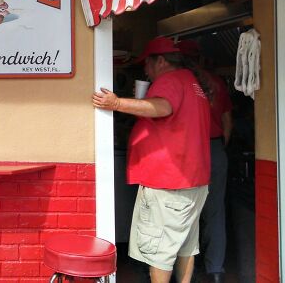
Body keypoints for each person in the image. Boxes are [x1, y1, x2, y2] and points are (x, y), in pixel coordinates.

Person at [92, 36, 211, 283]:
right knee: (185, 245)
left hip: (169, 184)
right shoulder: (191, 82)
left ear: (161, 61)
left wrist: (116, 103)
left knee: (160, 252)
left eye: (147, 63)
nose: (145, 69)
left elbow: (162, 107)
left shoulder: (169, 81)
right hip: (193, 181)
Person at [177, 39, 233, 283]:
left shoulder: (181, 84)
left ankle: (186, 270)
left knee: (186, 211)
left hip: (191, 151)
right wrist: (218, 147)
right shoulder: (216, 83)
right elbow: (228, 122)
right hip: (216, 148)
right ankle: (216, 271)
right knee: (215, 212)